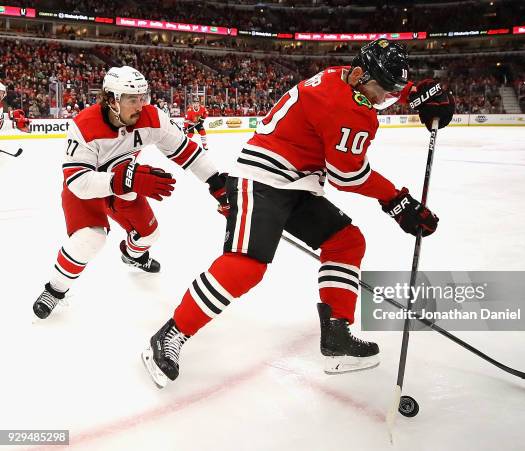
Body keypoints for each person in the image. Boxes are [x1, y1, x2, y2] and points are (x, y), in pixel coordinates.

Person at [142, 39, 454, 388]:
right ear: (359, 75)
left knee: (346, 242)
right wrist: (397, 202)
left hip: (297, 183)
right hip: (261, 178)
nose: (385, 98)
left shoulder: (345, 78)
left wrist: (417, 91)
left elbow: (377, 95)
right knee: (246, 265)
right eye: (383, 88)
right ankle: (170, 335)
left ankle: (337, 335)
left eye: (392, 89)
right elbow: (348, 176)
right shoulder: (348, 109)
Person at [32, 66, 229, 320]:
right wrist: (125, 180)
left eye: (142, 97)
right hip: (88, 191)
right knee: (90, 240)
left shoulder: (152, 117)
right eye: (132, 99)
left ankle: (132, 255)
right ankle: (55, 289)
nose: (140, 105)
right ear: (112, 99)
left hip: (126, 184)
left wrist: (216, 182)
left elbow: (186, 151)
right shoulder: (84, 125)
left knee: (150, 234)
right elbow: (77, 181)